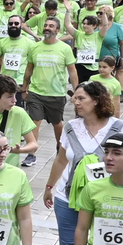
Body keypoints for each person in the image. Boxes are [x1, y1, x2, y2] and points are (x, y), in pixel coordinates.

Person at [43, 81, 123, 245]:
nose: (75, 102)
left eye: (81, 98)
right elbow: (61, 159)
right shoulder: (71, 127)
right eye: (75, 98)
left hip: (106, 201)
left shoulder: (120, 128)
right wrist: (50, 186)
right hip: (67, 197)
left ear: (97, 100)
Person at [22, 17, 77, 168]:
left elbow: (72, 71)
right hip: (36, 92)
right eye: (46, 25)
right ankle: (31, 153)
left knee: (57, 123)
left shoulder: (65, 48)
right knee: (34, 122)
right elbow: (29, 69)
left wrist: (77, 91)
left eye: (51, 26)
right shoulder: (35, 47)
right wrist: (25, 87)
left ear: (58, 30)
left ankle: (61, 149)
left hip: (56, 93)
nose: (47, 27)